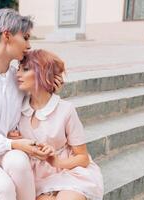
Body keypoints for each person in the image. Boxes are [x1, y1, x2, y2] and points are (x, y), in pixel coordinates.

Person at [0, 9, 63, 200]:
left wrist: (50, 88)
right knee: (3, 187)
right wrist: (12, 142)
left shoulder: (18, 78)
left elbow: (34, 105)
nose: (29, 45)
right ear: (7, 35)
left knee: (20, 163)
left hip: (7, 149)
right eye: (25, 37)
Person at [15, 49, 104, 200]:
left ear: (41, 73)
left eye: (25, 69)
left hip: (68, 171)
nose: (17, 74)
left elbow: (83, 158)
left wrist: (57, 161)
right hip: (36, 178)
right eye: (18, 69)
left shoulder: (65, 110)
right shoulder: (17, 108)